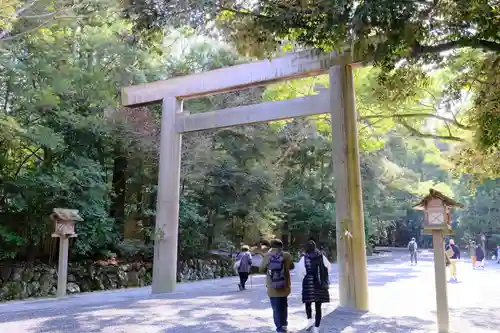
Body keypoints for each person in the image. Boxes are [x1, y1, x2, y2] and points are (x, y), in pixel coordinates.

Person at [259, 239, 294, 333]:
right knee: (283, 306)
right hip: (284, 286)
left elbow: (261, 269)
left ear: (271, 246)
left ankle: (279, 329)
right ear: (281, 246)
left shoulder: (267, 256)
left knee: (276, 308)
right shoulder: (286, 255)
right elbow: (292, 266)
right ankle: (284, 326)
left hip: (272, 287)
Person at [297, 240, 331, 333]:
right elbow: (328, 266)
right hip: (319, 283)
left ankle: (309, 322)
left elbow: (300, 271)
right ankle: (316, 327)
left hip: (308, 282)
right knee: (318, 305)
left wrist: (304, 277)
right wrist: (324, 275)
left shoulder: (304, 258)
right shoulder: (321, 256)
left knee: (308, 303)